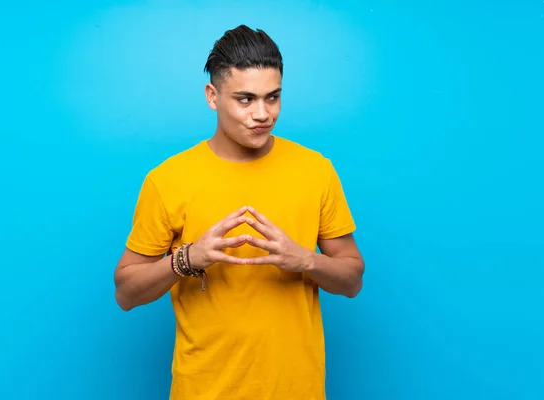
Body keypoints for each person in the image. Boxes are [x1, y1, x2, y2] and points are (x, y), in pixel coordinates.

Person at [114, 24, 365, 400]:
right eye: (245, 99)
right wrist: (187, 259)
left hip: (297, 389)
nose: (262, 114)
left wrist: (305, 260)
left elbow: (352, 280)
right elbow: (126, 293)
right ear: (212, 96)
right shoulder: (167, 180)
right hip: (204, 389)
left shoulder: (316, 171)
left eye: (273, 97)